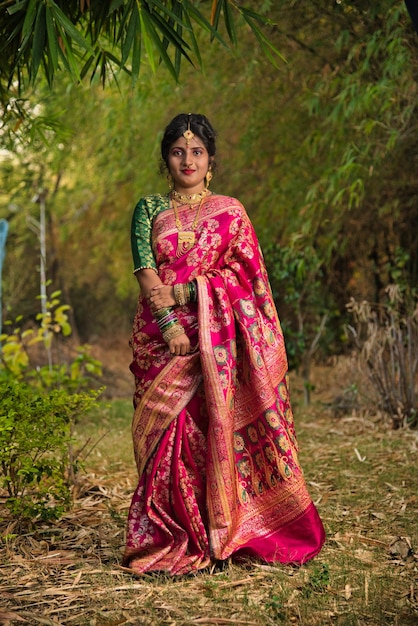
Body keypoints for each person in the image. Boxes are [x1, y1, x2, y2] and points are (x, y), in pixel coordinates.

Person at [122, 113, 325, 576]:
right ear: (166, 159)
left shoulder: (231, 211)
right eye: (178, 152)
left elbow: (246, 279)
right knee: (167, 443)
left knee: (211, 428)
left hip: (219, 341)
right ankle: (175, 533)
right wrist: (171, 327)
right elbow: (145, 274)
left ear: (210, 159)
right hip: (161, 342)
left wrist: (190, 292)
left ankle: (221, 530)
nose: (187, 160)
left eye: (196, 152)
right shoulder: (149, 209)